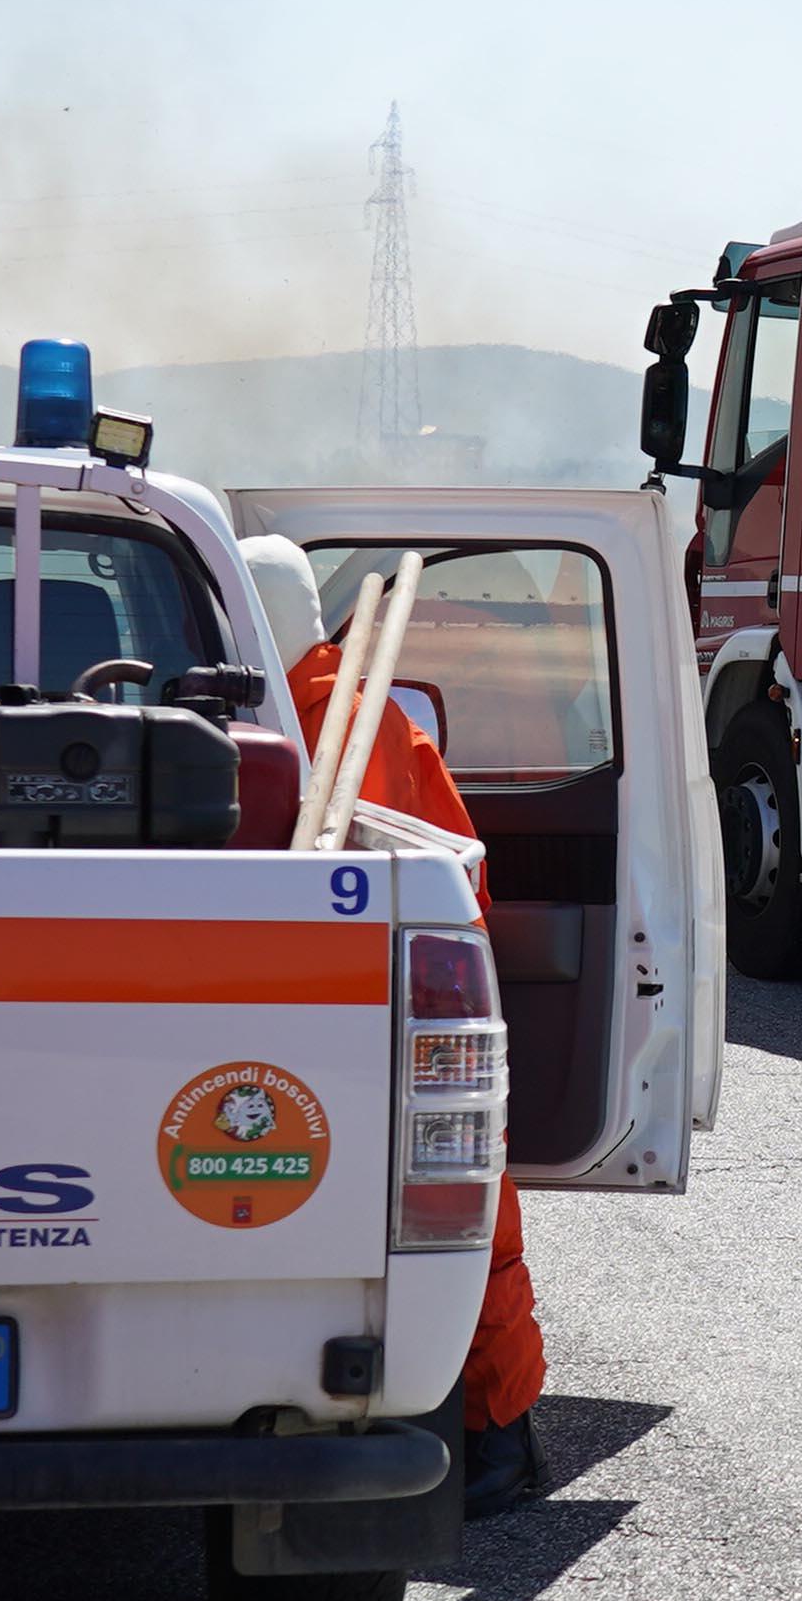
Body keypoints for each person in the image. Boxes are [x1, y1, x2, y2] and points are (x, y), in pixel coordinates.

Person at [261, 543, 547, 1510]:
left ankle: (482, 1434)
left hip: (291, 1012)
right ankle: (495, 1432)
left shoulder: (259, 723)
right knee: (458, 1219)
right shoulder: (368, 713)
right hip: (405, 1004)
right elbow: (466, 877)